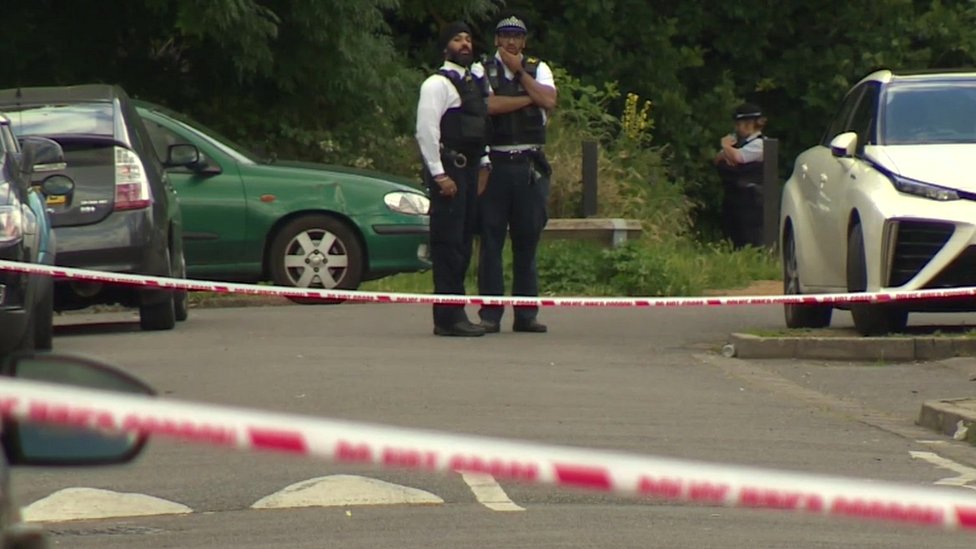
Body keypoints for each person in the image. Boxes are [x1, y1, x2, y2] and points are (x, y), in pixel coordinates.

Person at [476, 15, 557, 334]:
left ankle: (526, 314)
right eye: (505, 35)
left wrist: (521, 74)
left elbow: (549, 99)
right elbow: (488, 105)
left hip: (529, 166)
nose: (511, 41)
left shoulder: (538, 68)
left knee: (527, 241)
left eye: (517, 36)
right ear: (496, 40)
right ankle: (490, 314)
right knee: (491, 241)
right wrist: (528, 99)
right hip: (496, 164)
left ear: (524, 41)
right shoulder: (483, 69)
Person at [415, 21, 492, 337]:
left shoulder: (474, 81)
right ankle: (447, 316)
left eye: (468, 39)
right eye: (457, 39)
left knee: (462, 242)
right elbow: (426, 131)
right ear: (446, 46)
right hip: (449, 169)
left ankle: (457, 310)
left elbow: (480, 125)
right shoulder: (436, 84)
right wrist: (439, 174)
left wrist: (484, 163)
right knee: (447, 243)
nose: (464, 44)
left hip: (471, 169)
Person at [714, 103, 766, 249]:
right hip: (735, 200)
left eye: (739, 124)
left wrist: (726, 147)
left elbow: (739, 158)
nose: (737, 128)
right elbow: (718, 159)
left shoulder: (759, 144)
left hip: (751, 201)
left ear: (750, 124)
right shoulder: (739, 144)